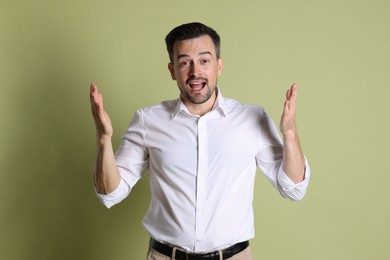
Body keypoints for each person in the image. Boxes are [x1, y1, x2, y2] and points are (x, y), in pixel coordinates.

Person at [89, 22, 310, 260]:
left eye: (204, 61)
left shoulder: (252, 119)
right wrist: (104, 138)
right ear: (172, 70)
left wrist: (290, 132)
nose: (195, 72)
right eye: (184, 62)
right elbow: (110, 193)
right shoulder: (148, 120)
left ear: (219, 66)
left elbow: (294, 188)